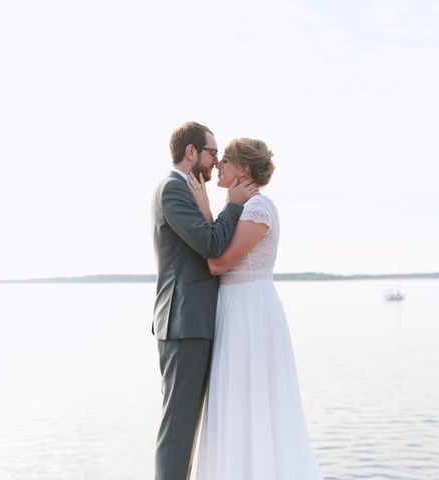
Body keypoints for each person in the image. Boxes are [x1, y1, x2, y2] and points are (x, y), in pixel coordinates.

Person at [187, 138, 323, 480]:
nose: (218, 165)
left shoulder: (259, 209)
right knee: (234, 402)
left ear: (243, 170)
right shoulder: (241, 207)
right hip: (232, 310)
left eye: (226, 161)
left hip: (251, 313)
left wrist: (205, 208)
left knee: (256, 400)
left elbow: (218, 263)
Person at [151, 122, 259, 480]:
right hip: (184, 323)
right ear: (191, 152)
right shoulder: (172, 190)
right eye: (212, 152)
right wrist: (232, 205)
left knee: (188, 428)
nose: (216, 162)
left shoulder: (188, 191)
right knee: (178, 430)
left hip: (195, 321)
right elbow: (211, 245)